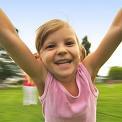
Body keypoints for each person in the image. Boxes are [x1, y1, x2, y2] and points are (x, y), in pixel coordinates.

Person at [0, 8, 122, 122]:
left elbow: (117, 28)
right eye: (51, 46)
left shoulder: (87, 72)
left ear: (80, 51)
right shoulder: (44, 78)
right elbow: (8, 35)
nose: (62, 50)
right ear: (40, 57)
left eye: (69, 43)